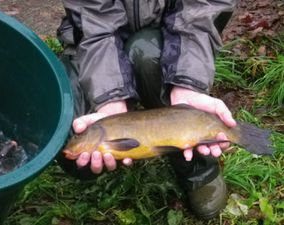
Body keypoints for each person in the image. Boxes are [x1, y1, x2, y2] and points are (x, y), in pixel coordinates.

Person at [57, 0, 237, 220]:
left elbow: (201, 13)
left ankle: (199, 170)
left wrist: (187, 84)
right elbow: (95, 23)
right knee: (66, 139)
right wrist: (110, 99)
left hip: (165, 42)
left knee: (145, 52)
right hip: (93, 48)